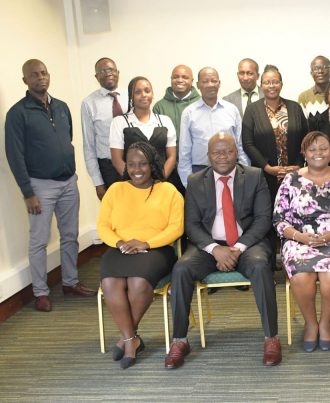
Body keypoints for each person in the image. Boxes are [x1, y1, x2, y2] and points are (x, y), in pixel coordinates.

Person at [165, 133, 281, 368]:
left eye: (228, 151)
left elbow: (262, 220)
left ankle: (271, 338)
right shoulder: (196, 181)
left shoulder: (254, 176)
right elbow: (191, 224)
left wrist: (236, 248)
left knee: (260, 266)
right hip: (209, 246)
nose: (223, 157)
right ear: (208, 156)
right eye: (217, 152)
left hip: (247, 244)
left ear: (236, 152)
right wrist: (215, 249)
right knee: (181, 269)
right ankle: (179, 340)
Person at [5, 59, 96, 313]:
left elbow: (67, 139)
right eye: (34, 75)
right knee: (39, 240)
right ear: (25, 80)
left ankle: (70, 282)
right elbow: (14, 155)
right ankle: (41, 293)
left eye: (44, 73)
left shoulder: (61, 107)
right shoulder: (18, 113)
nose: (40, 77)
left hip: (68, 182)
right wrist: (28, 192)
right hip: (39, 187)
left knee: (70, 235)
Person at [273, 131, 330, 352]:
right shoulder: (291, 180)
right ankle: (310, 323)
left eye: (323, 148)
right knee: (301, 276)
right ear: (304, 153)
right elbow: (278, 219)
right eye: (312, 149)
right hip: (299, 240)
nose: (318, 153)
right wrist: (299, 236)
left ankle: (325, 322)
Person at [97, 142, 184, 369]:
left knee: (138, 282)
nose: (137, 169)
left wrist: (146, 243)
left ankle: (127, 339)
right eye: (132, 164)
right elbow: (103, 225)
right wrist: (120, 242)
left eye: (143, 164)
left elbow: (176, 227)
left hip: (156, 249)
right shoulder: (115, 190)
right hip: (120, 248)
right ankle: (131, 339)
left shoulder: (168, 191)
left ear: (152, 164)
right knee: (110, 283)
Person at [242, 65, 308, 200]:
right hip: (264, 176)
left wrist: (298, 165)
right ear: (261, 85)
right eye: (267, 82)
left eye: (275, 82)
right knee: (266, 209)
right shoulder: (252, 110)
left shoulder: (295, 107)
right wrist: (267, 167)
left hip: (294, 175)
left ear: (281, 84)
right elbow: (248, 143)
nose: (271, 86)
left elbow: (306, 139)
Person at [177, 67, 249, 187]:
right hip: (200, 170)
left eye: (213, 81)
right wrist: (188, 183)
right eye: (205, 81)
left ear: (219, 83)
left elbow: (240, 145)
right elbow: (184, 151)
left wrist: (244, 173)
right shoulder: (189, 113)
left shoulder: (232, 110)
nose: (210, 85)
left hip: (230, 169)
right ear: (198, 85)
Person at [109, 76, 180, 191]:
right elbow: (117, 160)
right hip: (132, 186)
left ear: (152, 94)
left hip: (162, 184)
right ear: (131, 96)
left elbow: (172, 156)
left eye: (147, 91)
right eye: (138, 92)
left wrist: (160, 180)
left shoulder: (165, 121)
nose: (143, 95)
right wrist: (136, 182)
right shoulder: (119, 122)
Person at [81, 57, 127, 200]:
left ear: (118, 72)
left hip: (134, 164)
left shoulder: (131, 95)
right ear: (96, 77)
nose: (108, 73)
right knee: (115, 210)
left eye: (111, 69)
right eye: (102, 71)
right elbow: (89, 145)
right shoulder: (89, 103)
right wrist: (98, 182)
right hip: (108, 169)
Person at [153, 64, 200, 138]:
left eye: (185, 77)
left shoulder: (201, 104)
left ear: (192, 81)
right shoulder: (159, 107)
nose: (180, 80)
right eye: (175, 77)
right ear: (171, 79)